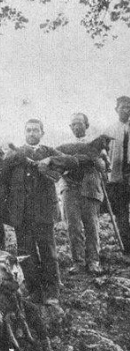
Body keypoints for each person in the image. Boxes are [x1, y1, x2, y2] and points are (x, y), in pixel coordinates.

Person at [0, 119, 77, 304]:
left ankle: (52, 291)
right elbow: (3, 178)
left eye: (35, 130)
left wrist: (50, 160)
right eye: (28, 130)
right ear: (24, 132)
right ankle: (34, 290)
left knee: (48, 252)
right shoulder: (17, 154)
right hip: (22, 213)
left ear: (42, 133)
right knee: (26, 254)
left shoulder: (48, 151)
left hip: (43, 212)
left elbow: (72, 161)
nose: (32, 133)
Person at [0, 226, 59, 351]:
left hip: (10, 291)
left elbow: (17, 274)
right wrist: (3, 281)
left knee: (31, 308)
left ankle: (46, 347)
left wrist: (13, 283)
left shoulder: (5, 254)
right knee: (5, 313)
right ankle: (11, 349)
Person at [62, 113, 105, 274]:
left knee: (91, 226)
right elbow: (58, 165)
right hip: (70, 188)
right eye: (73, 124)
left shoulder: (95, 144)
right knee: (73, 226)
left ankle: (93, 261)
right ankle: (78, 261)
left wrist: (95, 159)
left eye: (80, 123)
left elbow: (103, 165)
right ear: (70, 127)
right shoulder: (64, 146)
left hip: (90, 188)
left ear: (86, 125)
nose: (77, 127)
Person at [103, 96, 130, 254]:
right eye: (123, 107)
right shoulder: (110, 130)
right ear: (116, 110)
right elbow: (104, 154)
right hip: (118, 177)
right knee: (121, 212)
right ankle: (127, 247)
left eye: (129, 107)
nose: (126, 110)